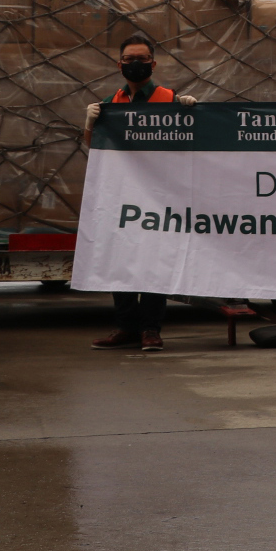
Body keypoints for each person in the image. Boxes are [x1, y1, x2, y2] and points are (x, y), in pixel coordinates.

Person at [84, 35, 197, 351]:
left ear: (153, 63)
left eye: (142, 59)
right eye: (129, 59)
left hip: (159, 197)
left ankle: (150, 329)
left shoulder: (169, 99)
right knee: (120, 261)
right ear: (119, 64)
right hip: (121, 196)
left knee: (152, 263)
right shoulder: (112, 102)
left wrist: (192, 113)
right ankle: (126, 328)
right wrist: (90, 124)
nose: (136, 64)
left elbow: (191, 142)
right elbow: (95, 148)